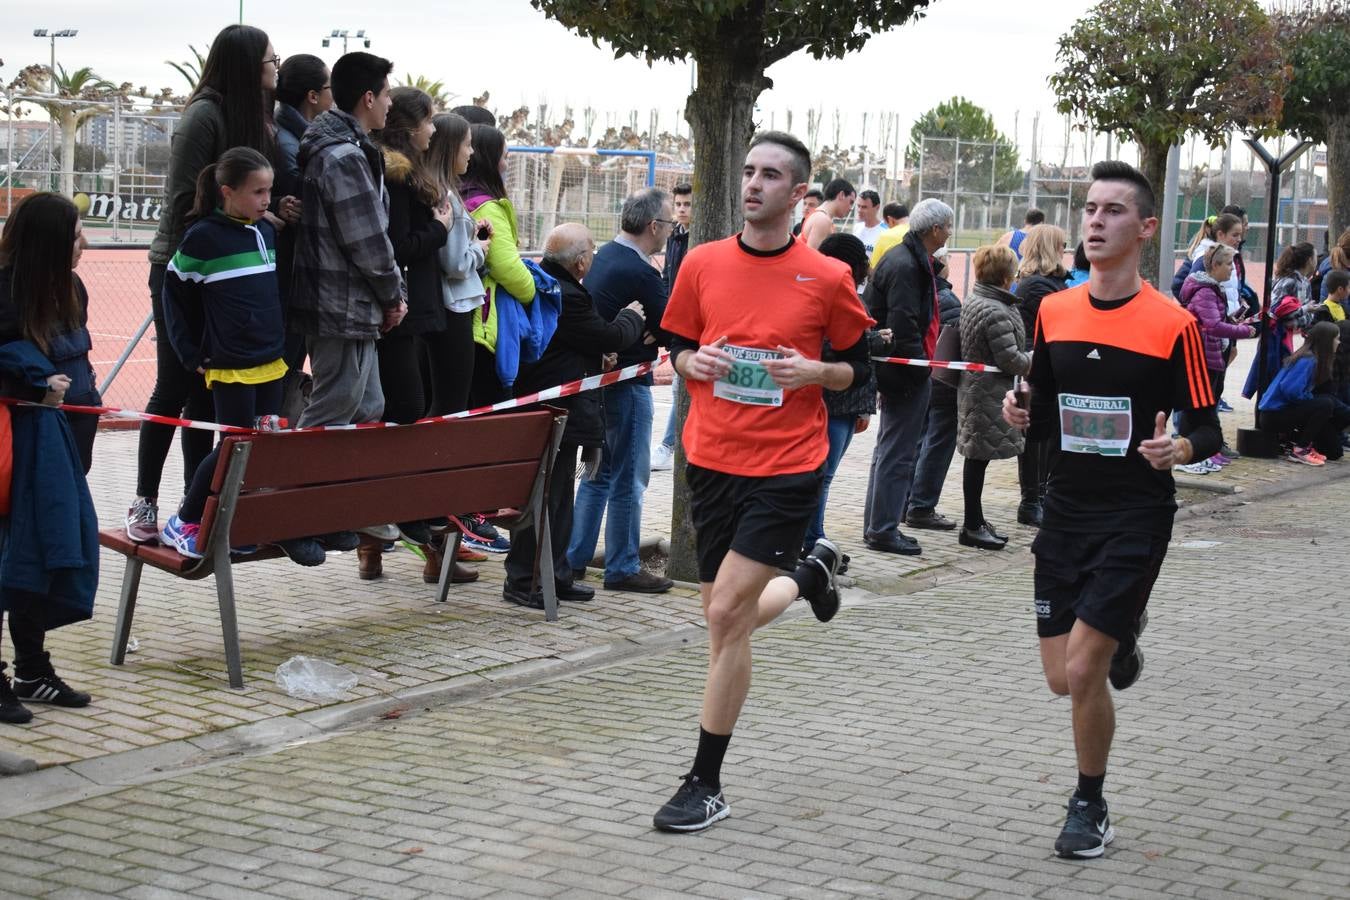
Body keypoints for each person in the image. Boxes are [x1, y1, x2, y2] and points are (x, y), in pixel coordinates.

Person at [652, 130, 873, 832]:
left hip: (788, 465)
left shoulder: (827, 277)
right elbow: (676, 346)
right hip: (711, 458)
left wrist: (816, 372)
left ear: (797, 193)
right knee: (726, 617)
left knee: (723, 617)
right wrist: (692, 367)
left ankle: (704, 782)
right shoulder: (704, 263)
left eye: (770, 175)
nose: (752, 184)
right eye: (747, 170)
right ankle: (810, 577)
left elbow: (858, 371)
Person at [1001, 160, 1221, 860]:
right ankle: (1123, 632)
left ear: (1146, 227)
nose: (1095, 221)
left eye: (1113, 211)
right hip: (1065, 511)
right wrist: (1019, 412)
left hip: (1135, 514)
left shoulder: (1173, 323)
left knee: (1086, 667)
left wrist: (1180, 450)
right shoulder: (1053, 312)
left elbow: (1208, 427)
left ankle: (1089, 803)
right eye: (1090, 209)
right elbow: (1043, 416)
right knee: (1062, 678)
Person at [126, 24, 285, 546]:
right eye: (269, 61)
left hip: (228, 263)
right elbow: (181, 203)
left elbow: (251, 192)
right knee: (177, 385)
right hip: (187, 268)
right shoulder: (203, 115)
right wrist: (223, 233)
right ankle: (146, 500)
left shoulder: (256, 117)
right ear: (244, 66)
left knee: (206, 398)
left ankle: (199, 510)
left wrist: (269, 213)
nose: (275, 70)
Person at [157, 148, 325, 565]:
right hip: (230, 367)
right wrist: (188, 350)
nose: (267, 200)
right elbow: (172, 295)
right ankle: (186, 518)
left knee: (263, 446)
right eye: (258, 192)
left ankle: (235, 523)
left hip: (270, 361)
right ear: (227, 191)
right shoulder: (203, 238)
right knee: (236, 446)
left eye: (269, 190)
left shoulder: (266, 232)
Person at [502, 223, 646, 610]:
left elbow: (570, 343)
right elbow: (609, 335)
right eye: (593, 252)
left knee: (560, 499)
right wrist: (632, 317)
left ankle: (555, 574)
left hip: (551, 411)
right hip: (551, 414)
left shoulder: (548, 283)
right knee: (547, 500)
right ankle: (526, 580)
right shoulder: (567, 294)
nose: (594, 259)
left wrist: (591, 357)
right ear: (581, 261)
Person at [0, 193, 99, 724]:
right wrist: (33, 383)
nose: (82, 242)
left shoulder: (70, 288)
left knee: (40, 557)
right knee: (7, 559)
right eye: (74, 232)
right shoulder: (6, 292)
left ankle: (32, 670)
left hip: (61, 448)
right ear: (48, 242)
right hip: (15, 451)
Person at [289, 51, 406, 431]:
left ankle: (333, 489)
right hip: (340, 307)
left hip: (349, 306)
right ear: (368, 98)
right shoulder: (343, 157)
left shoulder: (346, 150)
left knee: (367, 405)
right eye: (387, 94)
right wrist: (393, 297)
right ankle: (291, 487)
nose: (390, 103)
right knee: (334, 408)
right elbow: (368, 241)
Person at [566, 188, 674, 594]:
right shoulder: (641, 272)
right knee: (629, 477)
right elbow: (671, 325)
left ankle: (575, 558)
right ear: (653, 226)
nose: (670, 231)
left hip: (599, 382)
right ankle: (623, 565)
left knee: (598, 473)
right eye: (668, 223)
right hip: (627, 383)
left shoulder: (606, 256)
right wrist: (652, 329)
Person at [862, 198, 954, 556]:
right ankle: (883, 528)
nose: (950, 232)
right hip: (904, 370)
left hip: (902, 366)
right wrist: (917, 368)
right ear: (934, 229)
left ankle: (879, 524)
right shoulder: (906, 264)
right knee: (899, 451)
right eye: (947, 226)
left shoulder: (911, 260)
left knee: (891, 449)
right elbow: (904, 321)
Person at [803, 233, 889, 561]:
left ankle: (813, 538)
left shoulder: (839, 290)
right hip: (835, 401)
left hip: (846, 402)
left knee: (823, 475)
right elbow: (833, 346)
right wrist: (873, 342)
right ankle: (813, 542)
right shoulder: (832, 291)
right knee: (821, 476)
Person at [956, 245, 1031, 550]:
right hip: (987, 393)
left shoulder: (979, 299)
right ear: (1004, 275)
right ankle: (972, 524)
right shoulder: (995, 309)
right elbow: (1010, 359)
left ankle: (976, 519)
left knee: (978, 459)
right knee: (977, 460)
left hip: (978, 389)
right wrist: (1035, 358)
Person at [273, 53, 332, 418]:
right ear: (313, 95)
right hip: (291, 272)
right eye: (329, 89)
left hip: (297, 271)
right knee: (284, 371)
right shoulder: (289, 142)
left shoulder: (299, 136)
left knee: (290, 371)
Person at [1175, 244, 1258, 474]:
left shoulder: (1211, 290)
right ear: (1215, 265)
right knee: (1198, 408)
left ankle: (1200, 452)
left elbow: (1213, 320)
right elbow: (1211, 325)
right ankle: (1189, 456)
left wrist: (1234, 322)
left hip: (1209, 355)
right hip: (1201, 355)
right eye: (1229, 264)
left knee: (1206, 406)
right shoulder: (1205, 291)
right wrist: (1243, 331)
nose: (1233, 270)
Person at [428, 112, 489, 415]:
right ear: (450, 147)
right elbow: (454, 263)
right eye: (467, 145)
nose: (471, 152)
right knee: (451, 401)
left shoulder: (440, 191)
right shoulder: (445, 196)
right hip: (454, 306)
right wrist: (479, 249)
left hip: (450, 304)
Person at [1013, 223, 1069, 526]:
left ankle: (1042, 495)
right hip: (1038, 368)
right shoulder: (1037, 285)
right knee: (1035, 437)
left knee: (1047, 435)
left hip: (1051, 366)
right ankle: (1031, 500)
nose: (1065, 250)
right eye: (1061, 245)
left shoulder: (1051, 282)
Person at [904, 248, 962, 531]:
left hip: (916, 376)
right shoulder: (947, 298)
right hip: (940, 381)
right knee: (937, 443)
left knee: (916, 441)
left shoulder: (913, 291)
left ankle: (905, 502)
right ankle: (922, 505)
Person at [1258, 321, 1350, 464]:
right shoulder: (1308, 359)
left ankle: (1307, 442)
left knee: (1327, 403)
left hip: (1280, 412)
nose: (1338, 342)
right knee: (1324, 404)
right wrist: (1309, 399)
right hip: (1273, 415)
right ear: (1326, 341)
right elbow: (1291, 390)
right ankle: (1301, 450)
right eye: (1336, 339)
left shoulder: (1313, 358)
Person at [653, 181, 694, 472]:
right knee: (680, 388)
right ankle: (674, 444)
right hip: (677, 319)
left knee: (682, 386)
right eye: (678, 204)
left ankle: (669, 445)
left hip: (694, 322)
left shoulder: (699, 237)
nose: (681, 209)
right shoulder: (675, 235)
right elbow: (668, 276)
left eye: (687, 204)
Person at [801, 178, 855, 250]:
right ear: (841, 195)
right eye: (851, 202)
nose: (851, 208)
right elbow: (812, 258)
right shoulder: (822, 219)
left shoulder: (819, 216)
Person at [869, 202, 912, 269]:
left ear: (890, 220)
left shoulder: (885, 236)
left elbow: (873, 268)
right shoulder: (919, 232)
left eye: (887, 224)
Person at [851, 189, 888, 257]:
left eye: (864, 207)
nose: (859, 210)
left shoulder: (885, 231)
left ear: (877, 207)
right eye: (858, 206)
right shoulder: (857, 227)